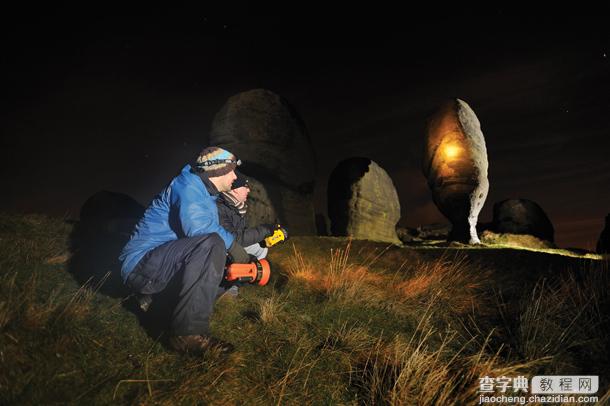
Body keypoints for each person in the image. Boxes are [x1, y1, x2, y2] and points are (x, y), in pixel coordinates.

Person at [118, 146, 252, 355]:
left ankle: (160, 306)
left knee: (226, 267)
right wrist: (234, 246)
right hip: (142, 263)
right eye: (232, 170)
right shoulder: (188, 184)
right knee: (212, 244)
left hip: (163, 262)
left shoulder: (208, 197)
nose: (235, 176)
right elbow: (198, 229)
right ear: (217, 170)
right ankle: (187, 334)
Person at [216, 171, 278, 298]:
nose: (248, 190)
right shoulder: (220, 207)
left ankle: (237, 280)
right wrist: (265, 230)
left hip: (227, 245)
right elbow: (235, 238)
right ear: (235, 190)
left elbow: (240, 234)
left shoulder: (236, 206)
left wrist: (264, 239)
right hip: (216, 250)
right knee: (244, 249)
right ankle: (225, 283)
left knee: (260, 247)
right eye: (245, 186)